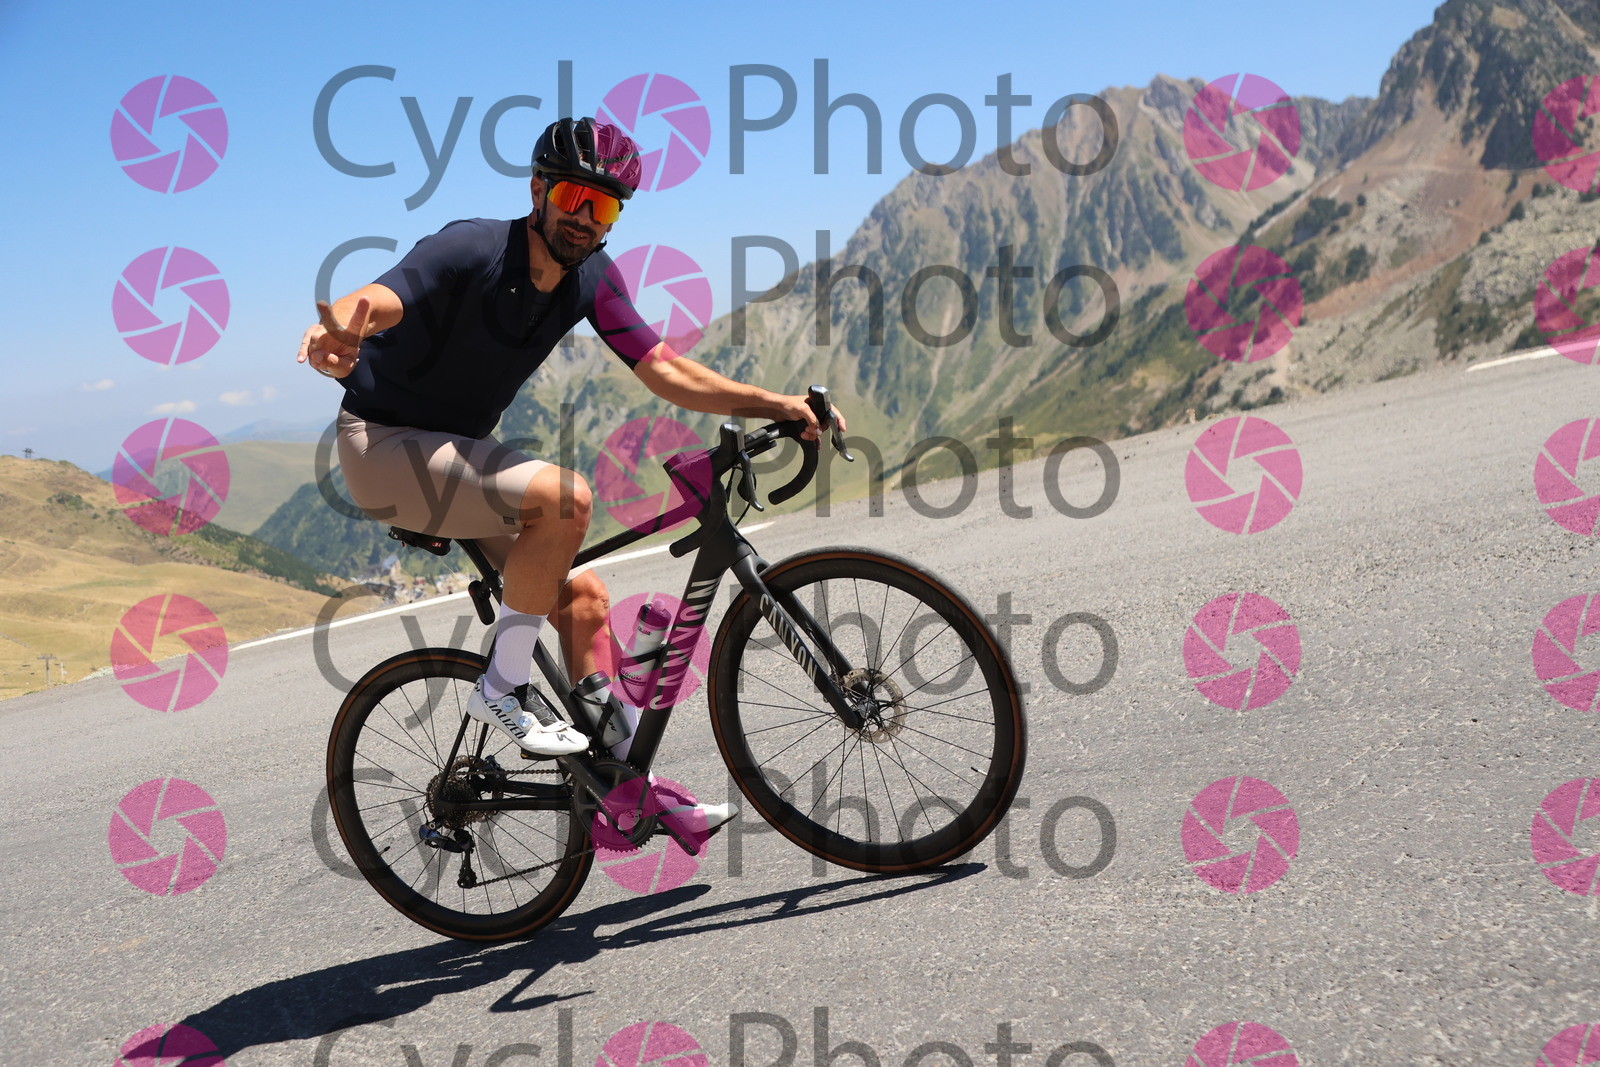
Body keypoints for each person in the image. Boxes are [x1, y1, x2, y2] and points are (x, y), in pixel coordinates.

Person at [296, 117, 843, 827]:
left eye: (604, 204)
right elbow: (380, 298)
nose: (584, 217)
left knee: (583, 598)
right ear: (538, 191)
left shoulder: (591, 279)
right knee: (564, 498)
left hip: (456, 455)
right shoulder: (473, 246)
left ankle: (628, 794)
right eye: (571, 197)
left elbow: (668, 372)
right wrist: (337, 332)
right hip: (383, 445)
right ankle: (502, 687)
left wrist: (776, 404)